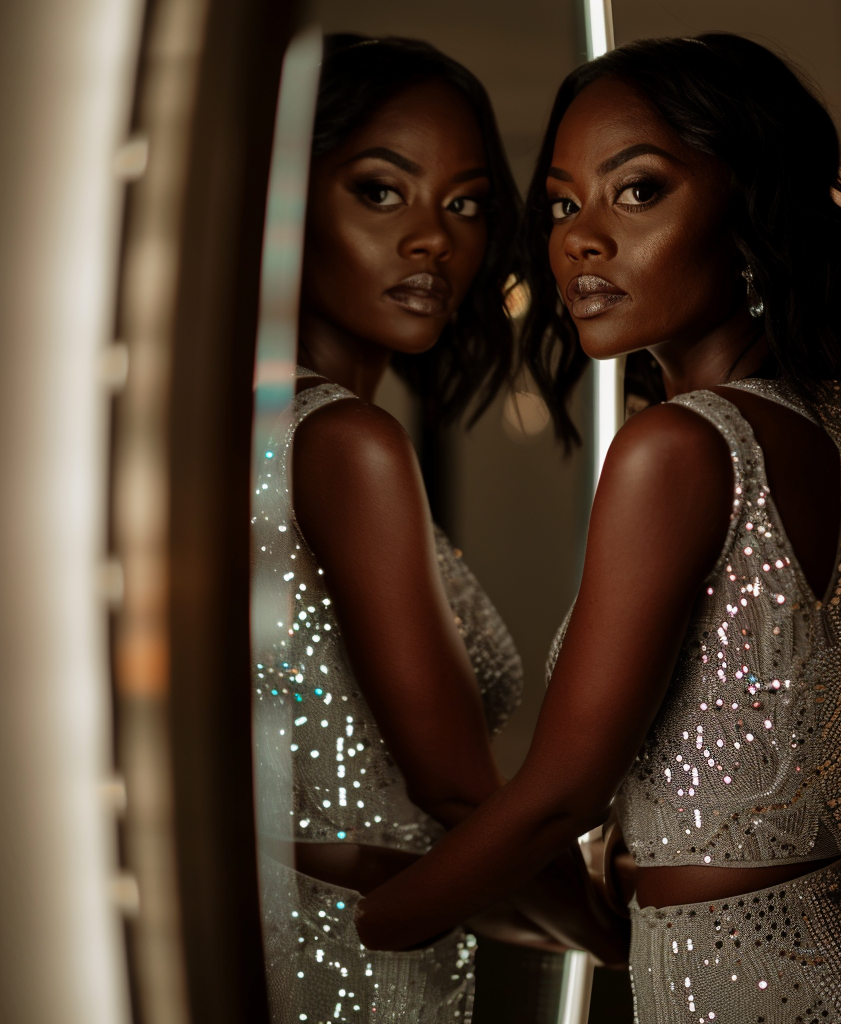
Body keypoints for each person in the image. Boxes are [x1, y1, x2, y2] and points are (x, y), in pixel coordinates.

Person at [354, 34, 841, 1022]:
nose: (580, 239)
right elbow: (683, 864)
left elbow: (559, 796)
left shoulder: (682, 447)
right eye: (560, 204)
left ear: (750, 210)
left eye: (636, 191)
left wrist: (361, 925)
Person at [252, 34, 623, 1024]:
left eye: (462, 205)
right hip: (350, 974)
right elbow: (458, 793)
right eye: (382, 190)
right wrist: (632, 943)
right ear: (284, 198)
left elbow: (406, 824)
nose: (432, 239)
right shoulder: (347, 444)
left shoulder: (251, 431)